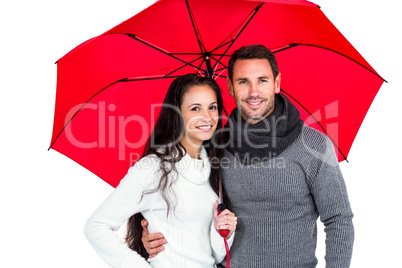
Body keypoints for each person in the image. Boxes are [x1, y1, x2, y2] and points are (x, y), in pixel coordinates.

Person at [141, 45, 354, 268]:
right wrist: (154, 237)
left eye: (262, 80)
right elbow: (185, 212)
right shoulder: (213, 145)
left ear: (277, 84)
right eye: (243, 81)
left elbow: (338, 219)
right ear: (230, 87)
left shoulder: (313, 145)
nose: (254, 92)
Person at [84, 74, 237, 268]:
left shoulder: (214, 169)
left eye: (212, 107)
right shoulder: (154, 168)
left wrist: (223, 232)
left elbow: (214, 256)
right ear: (176, 114)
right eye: (195, 108)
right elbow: (96, 227)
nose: (207, 117)